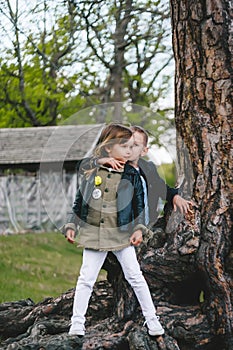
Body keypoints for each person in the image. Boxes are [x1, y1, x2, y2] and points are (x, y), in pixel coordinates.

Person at [63, 123, 165, 337]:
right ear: (109, 148)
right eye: (125, 146)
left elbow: (139, 205)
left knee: (135, 276)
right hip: (93, 234)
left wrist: (139, 229)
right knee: (86, 279)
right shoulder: (93, 171)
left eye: (132, 147)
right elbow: (80, 202)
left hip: (121, 235)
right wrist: (72, 224)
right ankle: (77, 323)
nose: (129, 151)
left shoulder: (132, 175)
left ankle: (152, 319)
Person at [95, 125, 193, 226]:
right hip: (123, 228)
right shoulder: (116, 167)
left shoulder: (148, 168)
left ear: (144, 151)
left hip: (148, 224)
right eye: (126, 144)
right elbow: (87, 165)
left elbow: (161, 187)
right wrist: (100, 160)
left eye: (135, 145)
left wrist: (175, 196)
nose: (129, 149)